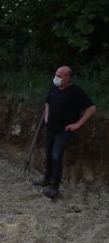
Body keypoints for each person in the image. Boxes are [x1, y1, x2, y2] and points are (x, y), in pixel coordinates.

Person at [33, 65, 96, 199]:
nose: (56, 78)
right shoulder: (54, 88)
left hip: (64, 131)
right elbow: (47, 102)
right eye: (56, 75)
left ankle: (55, 187)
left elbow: (91, 108)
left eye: (60, 76)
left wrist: (78, 123)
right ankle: (47, 179)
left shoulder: (76, 92)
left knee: (56, 155)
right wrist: (47, 115)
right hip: (50, 128)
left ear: (68, 78)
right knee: (49, 154)